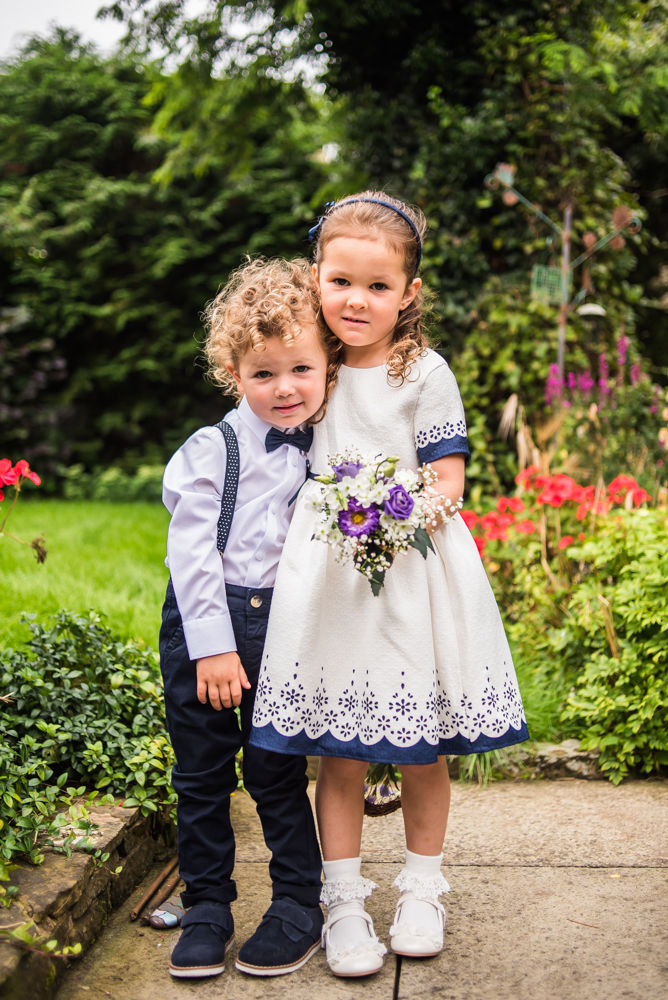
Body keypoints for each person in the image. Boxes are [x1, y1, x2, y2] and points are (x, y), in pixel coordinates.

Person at [250, 193, 529, 977]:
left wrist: (390, 515)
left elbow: (448, 480)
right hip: (329, 584)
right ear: (316, 279)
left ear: (408, 293)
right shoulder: (314, 364)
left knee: (418, 749)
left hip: (411, 574)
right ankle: (341, 902)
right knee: (337, 755)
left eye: (378, 286)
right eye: (341, 281)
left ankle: (421, 888)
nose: (357, 300)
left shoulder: (422, 371)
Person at [159, 256, 333, 979]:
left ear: (328, 367)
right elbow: (190, 555)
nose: (285, 388)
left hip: (286, 630)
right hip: (208, 624)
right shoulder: (213, 450)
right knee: (201, 774)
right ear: (235, 375)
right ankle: (206, 904)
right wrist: (213, 650)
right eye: (264, 375)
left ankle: (298, 902)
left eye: (300, 368)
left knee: (277, 771)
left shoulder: (331, 449)